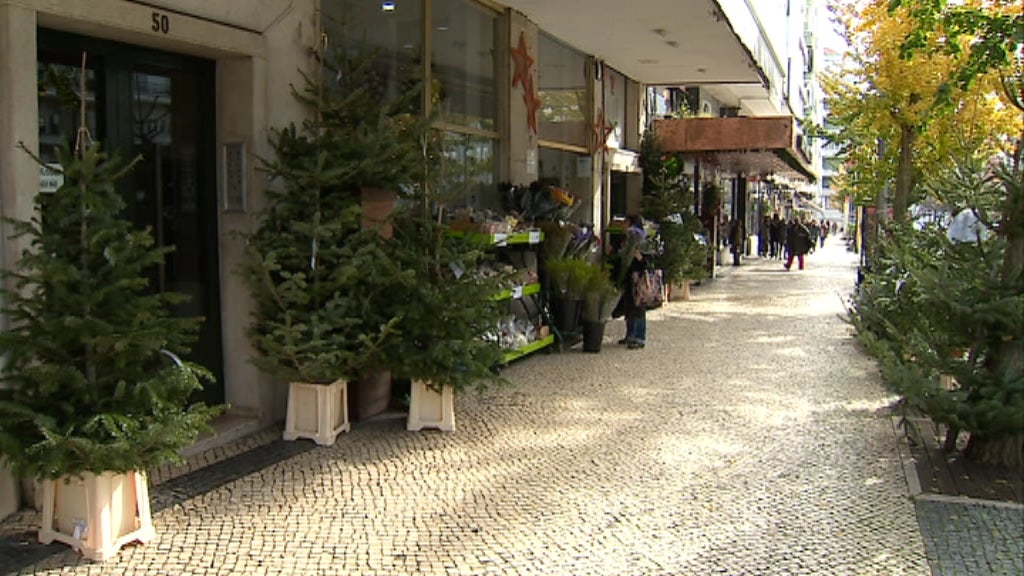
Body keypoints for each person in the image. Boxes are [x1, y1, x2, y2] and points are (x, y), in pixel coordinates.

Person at [615, 214, 648, 349]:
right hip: (628, 278)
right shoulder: (627, 239)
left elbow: (648, 262)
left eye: (625, 222)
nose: (623, 225)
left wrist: (639, 258)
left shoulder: (640, 241)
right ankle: (630, 334)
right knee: (629, 306)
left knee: (638, 307)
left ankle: (638, 337)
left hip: (638, 279)